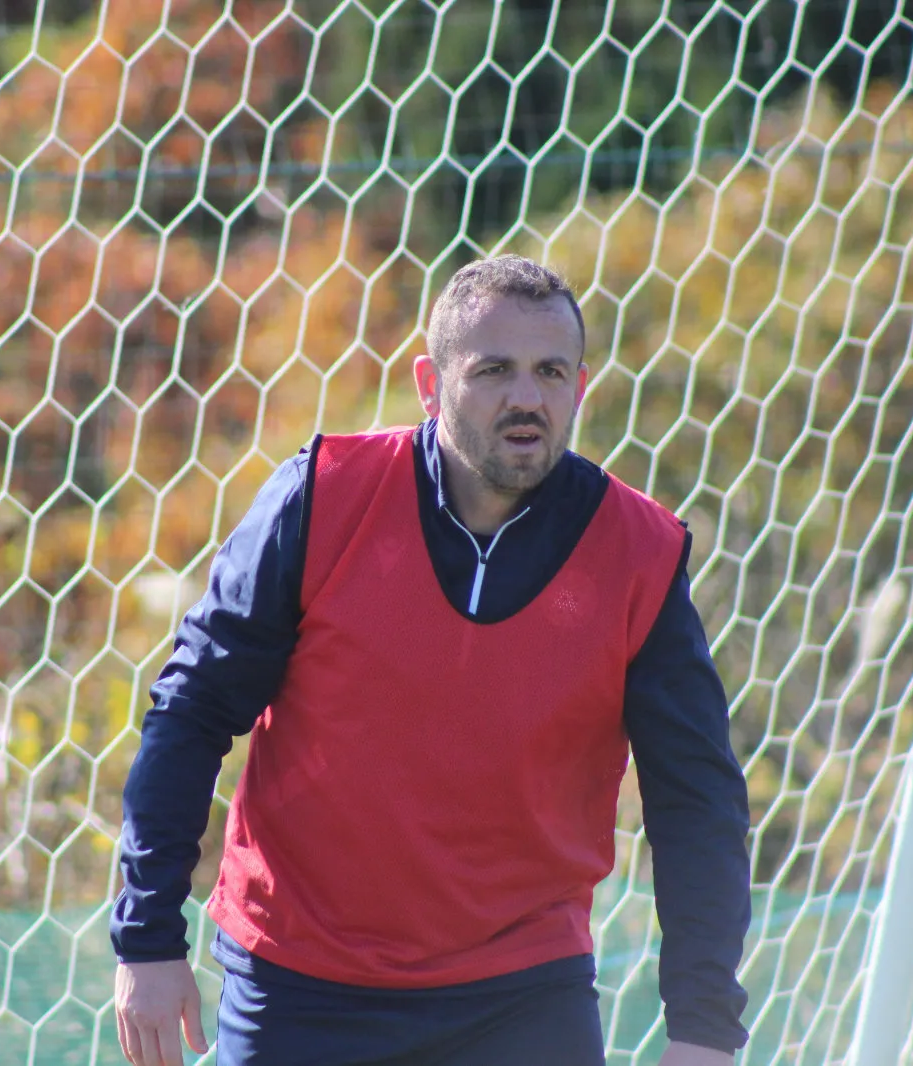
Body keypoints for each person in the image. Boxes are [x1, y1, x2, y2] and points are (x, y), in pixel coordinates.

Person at [110, 254, 751, 1066]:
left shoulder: (639, 553)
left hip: (521, 990)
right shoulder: (324, 497)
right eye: (494, 370)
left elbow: (696, 799)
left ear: (580, 388)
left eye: (551, 372)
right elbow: (192, 708)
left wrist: (704, 1027)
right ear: (430, 382)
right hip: (302, 980)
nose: (527, 397)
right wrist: (147, 938)